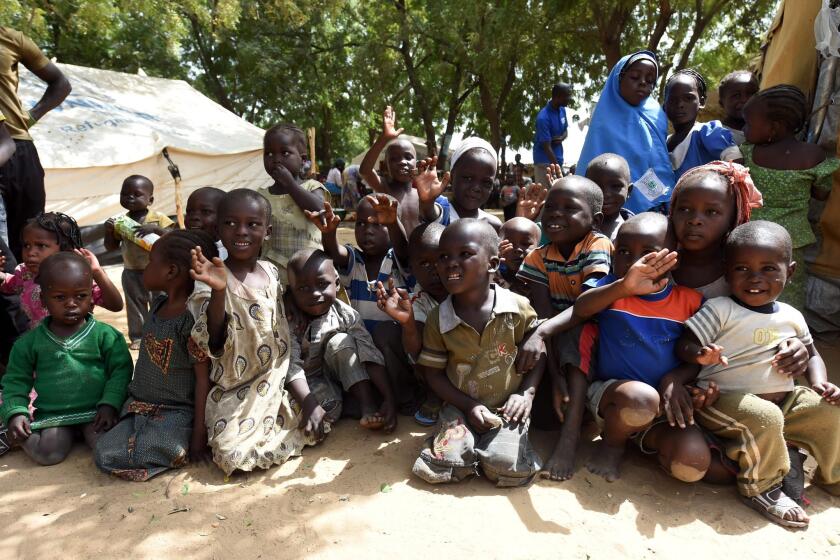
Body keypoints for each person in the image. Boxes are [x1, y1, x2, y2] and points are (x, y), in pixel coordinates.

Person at [678, 221, 840, 529]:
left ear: (789, 272)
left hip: (784, 402)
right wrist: (699, 354)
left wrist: (819, 383)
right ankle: (762, 488)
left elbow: (812, 354)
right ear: (727, 272)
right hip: (724, 401)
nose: (755, 278)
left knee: (829, 410)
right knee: (765, 417)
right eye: (742, 269)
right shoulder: (720, 308)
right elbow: (684, 343)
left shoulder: (792, 316)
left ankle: (833, 476)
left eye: (769, 269)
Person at [187, 189, 326, 475]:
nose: (241, 231)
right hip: (234, 389)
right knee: (230, 455)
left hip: (274, 380)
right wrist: (219, 291)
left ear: (267, 231)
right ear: (218, 228)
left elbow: (282, 343)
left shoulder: (272, 273)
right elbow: (213, 339)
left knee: (321, 412)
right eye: (230, 223)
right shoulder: (211, 279)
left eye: (252, 224)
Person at [565, 213, 710, 484]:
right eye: (624, 252)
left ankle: (643, 440)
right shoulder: (611, 290)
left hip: (663, 407)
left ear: (673, 257)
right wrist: (623, 287)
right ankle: (612, 445)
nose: (635, 262)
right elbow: (581, 309)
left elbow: (693, 353)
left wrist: (679, 380)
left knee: (693, 463)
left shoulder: (690, 302)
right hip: (614, 398)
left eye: (648, 254)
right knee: (640, 399)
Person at [412, 219, 544, 486]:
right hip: (460, 406)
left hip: (509, 409)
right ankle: (457, 443)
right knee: (443, 466)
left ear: (493, 264)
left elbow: (538, 350)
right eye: (444, 257)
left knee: (506, 468)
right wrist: (470, 407)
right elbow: (434, 375)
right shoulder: (439, 318)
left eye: (465, 254)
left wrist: (526, 393)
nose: (451, 263)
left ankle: (497, 449)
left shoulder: (518, 307)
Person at [94, 230, 215, 481]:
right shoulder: (158, 305)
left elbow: (203, 380)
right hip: (139, 405)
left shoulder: (191, 321)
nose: (146, 268)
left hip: (177, 411)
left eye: (151, 262)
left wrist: (198, 437)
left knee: (164, 447)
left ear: (170, 272)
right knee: (104, 449)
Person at [0, 252, 132, 464]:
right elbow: (16, 380)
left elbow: (121, 371)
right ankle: (16, 436)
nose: (71, 304)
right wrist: (16, 412)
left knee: (108, 450)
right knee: (48, 454)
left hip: (97, 411)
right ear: (43, 299)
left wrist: (110, 404)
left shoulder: (106, 335)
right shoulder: (28, 343)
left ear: (91, 296)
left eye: (80, 296)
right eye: (60, 297)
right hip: (54, 415)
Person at [741, 84, 840, 311]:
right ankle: (789, 335)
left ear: (774, 127)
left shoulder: (749, 153)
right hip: (791, 242)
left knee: (749, 287)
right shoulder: (813, 156)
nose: (745, 129)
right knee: (789, 291)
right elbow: (822, 193)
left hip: (751, 236)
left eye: (749, 123)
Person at [286, 248, 396, 432]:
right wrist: (309, 403)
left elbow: (369, 352)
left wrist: (389, 398)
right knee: (328, 412)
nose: (314, 294)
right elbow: (291, 365)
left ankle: (366, 404)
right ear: (292, 292)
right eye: (303, 288)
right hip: (306, 380)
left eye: (322, 284)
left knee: (341, 342)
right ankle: (344, 403)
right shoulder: (290, 320)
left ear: (336, 284)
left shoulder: (346, 315)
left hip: (339, 373)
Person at [0, 26, 71, 260]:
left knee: (32, 240)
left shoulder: (12, 38)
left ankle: (33, 295)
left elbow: (61, 83)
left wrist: (30, 117)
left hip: (17, 147)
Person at [577, 50, 675, 214]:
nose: (643, 83)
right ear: (619, 78)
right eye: (635, 77)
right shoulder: (605, 120)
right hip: (613, 207)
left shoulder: (657, 115)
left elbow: (654, 163)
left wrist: (658, 197)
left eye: (650, 80)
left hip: (658, 201)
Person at [374, 222, 448, 425]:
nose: (435, 271)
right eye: (424, 264)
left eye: (441, 259)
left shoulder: (467, 291)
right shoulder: (419, 300)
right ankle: (427, 395)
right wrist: (407, 323)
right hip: (435, 368)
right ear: (412, 269)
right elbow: (416, 351)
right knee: (386, 332)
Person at [305, 196, 412, 332]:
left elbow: (403, 249)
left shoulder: (398, 261)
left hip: (392, 344)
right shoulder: (354, 260)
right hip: (360, 344)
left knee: (385, 333)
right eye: (361, 223)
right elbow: (335, 254)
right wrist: (329, 233)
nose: (368, 231)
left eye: (378, 224)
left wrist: (393, 224)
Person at [1, 212, 123, 329]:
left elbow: (115, 305)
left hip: (78, 344)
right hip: (41, 345)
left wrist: (97, 272)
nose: (31, 253)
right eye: (26, 245)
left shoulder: (78, 276)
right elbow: (9, 284)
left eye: (41, 245)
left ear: (66, 249)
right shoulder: (24, 273)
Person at [104, 175, 175, 349]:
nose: (130, 198)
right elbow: (110, 247)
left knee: (161, 302)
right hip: (131, 271)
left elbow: (174, 238)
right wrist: (108, 231)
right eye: (125, 194)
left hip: (158, 271)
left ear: (150, 200)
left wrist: (156, 229)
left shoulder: (159, 218)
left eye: (137, 194)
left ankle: (163, 333)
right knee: (135, 305)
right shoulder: (121, 222)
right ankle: (138, 337)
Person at [360, 107, 450, 234]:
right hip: (394, 252)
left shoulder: (422, 195)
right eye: (394, 159)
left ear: (416, 163)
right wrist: (384, 139)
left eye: (408, 157)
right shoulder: (384, 188)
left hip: (420, 252)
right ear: (386, 166)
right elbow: (365, 170)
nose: (402, 162)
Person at [256, 124, 327, 285]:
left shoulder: (312, 187)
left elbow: (320, 210)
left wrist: (290, 184)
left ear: (303, 160)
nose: (276, 159)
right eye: (269, 153)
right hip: (273, 277)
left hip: (309, 274)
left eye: (285, 153)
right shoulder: (261, 196)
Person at [663, 69, 742, 180]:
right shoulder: (663, 143)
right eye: (672, 99)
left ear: (702, 102)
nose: (680, 104)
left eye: (688, 98)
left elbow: (738, 169)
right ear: (664, 105)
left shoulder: (709, 133)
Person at [416, 138, 502, 231]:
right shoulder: (443, 212)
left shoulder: (494, 225)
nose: (476, 188)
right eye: (468, 178)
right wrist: (427, 202)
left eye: (486, 182)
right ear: (452, 177)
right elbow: (430, 213)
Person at [585, 153, 634, 241]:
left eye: (615, 186)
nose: (605, 194)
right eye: (596, 186)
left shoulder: (636, 232)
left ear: (629, 191)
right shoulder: (575, 226)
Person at [533, 84, 571, 185]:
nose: (569, 98)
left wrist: (561, 138)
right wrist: (559, 170)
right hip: (544, 163)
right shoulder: (543, 118)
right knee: (546, 197)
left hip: (557, 161)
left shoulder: (562, 110)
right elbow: (547, 147)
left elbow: (565, 131)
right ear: (557, 96)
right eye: (567, 96)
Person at [496, 217, 540, 294]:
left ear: (539, 246)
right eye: (509, 243)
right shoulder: (493, 272)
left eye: (525, 244)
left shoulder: (543, 274)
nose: (518, 250)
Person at [185, 186, 227, 261]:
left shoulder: (231, 254)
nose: (194, 217)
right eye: (190, 211)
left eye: (206, 211)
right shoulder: (182, 250)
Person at [718, 70, 759, 145]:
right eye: (736, 95)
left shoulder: (766, 131)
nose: (745, 100)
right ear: (722, 103)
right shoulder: (716, 134)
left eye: (751, 94)